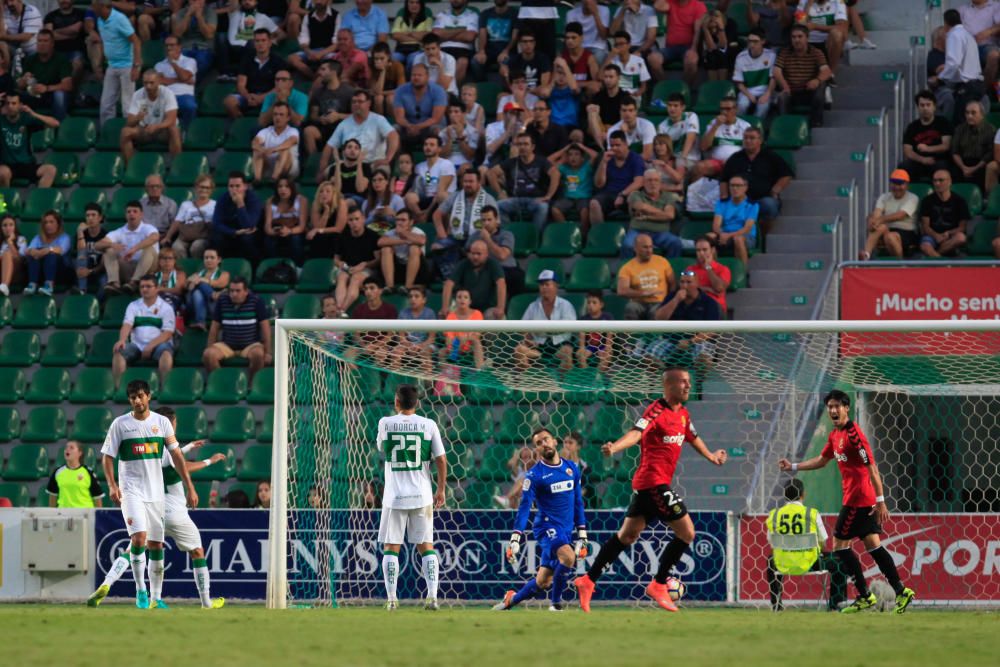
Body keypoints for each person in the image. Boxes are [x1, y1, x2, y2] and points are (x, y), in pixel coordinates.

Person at [575, 367, 727, 613]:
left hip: (650, 485)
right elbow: (636, 433)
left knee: (627, 536)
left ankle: (587, 580)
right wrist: (615, 448)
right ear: (669, 385)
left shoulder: (684, 415)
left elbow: (692, 436)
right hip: (653, 482)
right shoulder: (656, 410)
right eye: (683, 382)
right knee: (687, 533)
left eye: (690, 382)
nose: (688, 386)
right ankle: (658, 584)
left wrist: (711, 456)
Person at [778, 389, 916, 615]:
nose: (832, 410)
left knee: (839, 546)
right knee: (874, 547)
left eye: (836, 406)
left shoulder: (854, 435)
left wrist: (881, 501)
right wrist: (793, 466)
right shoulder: (835, 435)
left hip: (858, 500)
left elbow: (872, 468)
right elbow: (822, 460)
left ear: (846, 408)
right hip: (861, 499)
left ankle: (864, 595)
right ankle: (902, 591)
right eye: (830, 407)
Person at [88, 406, 225, 610]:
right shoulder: (166, 443)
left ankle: (108, 584)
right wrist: (208, 461)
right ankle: (204, 602)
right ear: (171, 424)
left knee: (135, 547)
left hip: (151, 504)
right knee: (197, 551)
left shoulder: (151, 444)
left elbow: (165, 455)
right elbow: (180, 463)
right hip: (173, 510)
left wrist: (187, 447)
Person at [98, 379, 197, 609]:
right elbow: (107, 457)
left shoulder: (162, 423)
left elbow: (177, 457)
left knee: (156, 545)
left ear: (149, 396)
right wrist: (113, 486)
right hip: (131, 491)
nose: (137, 400)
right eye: (133, 397)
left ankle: (156, 598)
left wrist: (190, 486)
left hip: (155, 494)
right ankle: (140, 592)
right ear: (129, 400)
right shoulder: (120, 424)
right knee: (139, 538)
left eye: (141, 396)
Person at [494, 427, 588, 612]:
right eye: (538, 443)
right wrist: (515, 537)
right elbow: (524, 507)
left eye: (546, 439)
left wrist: (582, 533)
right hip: (546, 527)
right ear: (536, 449)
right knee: (568, 557)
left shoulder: (571, 469)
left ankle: (511, 600)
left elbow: (578, 502)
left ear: (554, 442)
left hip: (566, 529)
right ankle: (556, 605)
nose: (543, 444)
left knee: (543, 581)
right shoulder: (534, 475)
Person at [378, 383, 447, 611]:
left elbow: (382, 448)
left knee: (391, 548)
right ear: (417, 403)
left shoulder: (385, 423)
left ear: (396, 402)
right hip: (422, 496)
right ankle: (432, 597)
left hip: (394, 497)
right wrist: (441, 489)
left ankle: (391, 599)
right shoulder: (428, 425)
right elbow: (441, 459)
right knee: (426, 547)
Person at [766, 479, 847, 612]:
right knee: (840, 562)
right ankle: (835, 605)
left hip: (783, 564)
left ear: (784, 495)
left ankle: (776, 606)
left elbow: (772, 541)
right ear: (803, 495)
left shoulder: (774, 515)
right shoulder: (811, 513)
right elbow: (823, 541)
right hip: (810, 562)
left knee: (770, 561)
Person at [720, 127, 793, 228]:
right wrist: (724, 197)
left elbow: (786, 175)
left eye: (752, 138)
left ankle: (763, 237)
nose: (748, 141)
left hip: (762, 199)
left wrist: (775, 190)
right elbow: (724, 179)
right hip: (739, 201)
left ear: (760, 140)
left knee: (769, 205)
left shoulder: (770, 156)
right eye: (745, 138)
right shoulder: (735, 158)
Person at [650, 269, 721, 370]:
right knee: (650, 357)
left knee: (703, 357)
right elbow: (659, 318)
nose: (684, 286)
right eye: (682, 282)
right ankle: (659, 382)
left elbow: (711, 330)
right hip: (671, 340)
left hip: (698, 340)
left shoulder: (709, 302)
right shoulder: (672, 297)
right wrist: (676, 300)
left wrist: (690, 341)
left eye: (688, 282)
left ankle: (699, 384)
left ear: (697, 283)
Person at [112, 274, 175, 388]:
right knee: (118, 353)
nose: (145, 289)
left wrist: (150, 346)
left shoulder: (166, 308)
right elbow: (127, 325)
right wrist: (122, 340)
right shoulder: (133, 306)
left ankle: (165, 387)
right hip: (137, 345)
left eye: (148, 286)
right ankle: (119, 388)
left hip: (158, 345)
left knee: (166, 354)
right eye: (142, 287)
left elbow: (168, 333)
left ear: (156, 288)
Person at [203, 276, 273, 377]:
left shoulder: (257, 301)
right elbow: (214, 328)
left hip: (250, 345)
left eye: (238, 291)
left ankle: (251, 385)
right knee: (208, 354)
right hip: (227, 345)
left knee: (258, 354)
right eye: (231, 291)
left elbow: (265, 328)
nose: (234, 294)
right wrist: (210, 346)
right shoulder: (222, 301)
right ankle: (221, 383)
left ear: (246, 291)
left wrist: (268, 352)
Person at [512, 269, 576, 371]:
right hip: (539, 347)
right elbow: (523, 328)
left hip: (560, 345)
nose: (544, 287)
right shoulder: (532, 307)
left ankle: (563, 384)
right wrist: (528, 339)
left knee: (567, 351)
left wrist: (543, 329)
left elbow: (569, 328)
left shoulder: (566, 305)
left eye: (547, 284)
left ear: (556, 286)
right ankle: (522, 383)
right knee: (519, 350)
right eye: (541, 285)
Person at [93, 0, 141, 128]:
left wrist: (136, 66)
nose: (92, 8)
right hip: (112, 66)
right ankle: (106, 135)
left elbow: (136, 41)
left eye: (94, 5)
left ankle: (131, 136)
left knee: (127, 106)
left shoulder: (120, 19)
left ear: (102, 6)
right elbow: (105, 41)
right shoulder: (99, 20)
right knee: (106, 105)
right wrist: (100, 62)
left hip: (127, 66)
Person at [774, 24, 832, 128]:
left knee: (821, 87)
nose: (796, 40)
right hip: (791, 91)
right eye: (794, 37)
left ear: (807, 38)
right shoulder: (784, 52)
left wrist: (817, 80)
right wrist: (784, 85)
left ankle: (816, 124)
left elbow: (826, 71)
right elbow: (777, 71)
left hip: (809, 91)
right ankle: (784, 126)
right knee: (782, 97)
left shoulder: (816, 52)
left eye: (800, 36)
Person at [934, 9, 986, 124]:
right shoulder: (968, 35)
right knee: (971, 123)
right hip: (977, 83)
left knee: (961, 122)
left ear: (945, 23)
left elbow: (953, 63)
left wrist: (940, 78)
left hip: (968, 86)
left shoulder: (954, 35)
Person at [96, 201, 159, 295]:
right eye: (128, 212)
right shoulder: (120, 231)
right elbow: (97, 245)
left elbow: (155, 237)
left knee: (149, 249)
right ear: (125, 215)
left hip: (148, 269)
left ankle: (135, 282)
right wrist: (111, 245)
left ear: (141, 214)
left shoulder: (148, 228)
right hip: (127, 267)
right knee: (108, 250)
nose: (131, 214)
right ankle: (114, 283)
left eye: (135, 211)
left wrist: (135, 249)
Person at [325, 89, 399, 169]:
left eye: (360, 102)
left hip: (374, 164)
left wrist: (387, 158)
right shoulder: (344, 124)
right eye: (354, 102)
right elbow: (329, 146)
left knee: (382, 171)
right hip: (349, 164)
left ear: (369, 103)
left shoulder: (378, 120)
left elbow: (393, 136)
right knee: (328, 172)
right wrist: (322, 168)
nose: (356, 104)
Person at [120, 69, 181, 164]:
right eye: (145, 83)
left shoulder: (168, 93)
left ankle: (178, 165)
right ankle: (131, 167)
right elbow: (129, 122)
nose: (148, 86)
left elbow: (171, 119)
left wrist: (157, 126)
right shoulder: (138, 94)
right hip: (145, 130)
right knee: (125, 132)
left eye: (151, 83)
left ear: (159, 81)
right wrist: (136, 119)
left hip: (162, 130)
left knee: (174, 129)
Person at [0, 92, 59, 189]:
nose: (10, 106)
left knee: (50, 170)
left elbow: (55, 123)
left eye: (14, 103)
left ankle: (38, 200)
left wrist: (33, 113)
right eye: (7, 103)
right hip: (7, 165)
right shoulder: (1, 120)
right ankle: (5, 201)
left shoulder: (26, 119)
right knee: (2, 172)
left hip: (27, 164)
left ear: (20, 105)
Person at [224, 28, 286, 119]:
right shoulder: (246, 59)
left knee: (279, 101)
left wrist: (261, 98)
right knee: (229, 102)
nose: (260, 43)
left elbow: (279, 87)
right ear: (254, 43)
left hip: (269, 97)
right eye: (257, 41)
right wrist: (247, 96)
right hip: (249, 96)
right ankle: (240, 124)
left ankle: (264, 127)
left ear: (269, 43)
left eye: (263, 40)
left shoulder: (278, 61)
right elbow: (241, 84)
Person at [860, 169, 921, 261]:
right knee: (880, 227)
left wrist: (879, 220)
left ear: (907, 185)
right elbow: (877, 213)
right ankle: (866, 255)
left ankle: (900, 264)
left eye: (900, 184)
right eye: (894, 183)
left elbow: (900, 215)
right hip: (888, 229)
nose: (896, 187)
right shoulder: (884, 197)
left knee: (890, 236)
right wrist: (872, 221)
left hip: (907, 232)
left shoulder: (913, 198)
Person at [589, 131, 645, 230]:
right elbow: (599, 184)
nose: (614, 148)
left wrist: (622, 194)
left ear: (626, 144)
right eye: (612, 145)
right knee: (594, 203)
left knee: (634, 200)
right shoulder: (606, 158)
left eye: (617, 145)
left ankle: (634, 234)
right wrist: (604, 163)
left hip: (628, 194)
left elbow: (639, 182)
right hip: (609, 194)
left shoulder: (636, 159)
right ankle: (600, 235)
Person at [439, 239, 506, 319]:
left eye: (478, 254)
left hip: (488, 307)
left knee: (493, 316)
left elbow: (501, 283)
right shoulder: (463, 264)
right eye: (472, 253)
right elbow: (449, 284)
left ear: (486, 254)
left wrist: (500, 308)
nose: (475, 257)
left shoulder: (493, 264)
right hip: (467, 307)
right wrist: (445, 307)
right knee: (445, 315)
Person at [648, 0, 707, 87]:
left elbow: (697, 31)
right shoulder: (671, 2)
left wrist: (693, 49)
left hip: (688, 47)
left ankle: (683, 88)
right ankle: (666, 86)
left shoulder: (698, 5)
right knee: (652, 58)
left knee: (692, 60)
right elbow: (657, 6)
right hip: (670, 48)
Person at [466, 204, 522, 295]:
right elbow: (468, 253)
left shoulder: (507, 235)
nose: (486, 223)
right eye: (483, 220)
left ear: (497, 220)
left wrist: (488, 239)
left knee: (516, 276)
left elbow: (502, 255)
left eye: (489, 219)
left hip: (505, 268)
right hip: (483, 268)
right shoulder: (475, 236)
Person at [624, 169, 682, 258]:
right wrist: (662, 213)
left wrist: (647, 217)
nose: (653, 183)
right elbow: (641, 206)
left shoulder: (669, 196)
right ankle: (628, 271)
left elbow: (670, 215)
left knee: (675, 243)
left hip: (660, 233)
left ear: (661, 183)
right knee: (628, 245)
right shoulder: (635, 195)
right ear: (643, 183)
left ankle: (670, 269)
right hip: (638, 231)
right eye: (649, 180)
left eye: (656, 180)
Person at [333, 206, 381, 312]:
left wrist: (365, 265)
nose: (354, 223)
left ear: (363, 218)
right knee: (342, 276)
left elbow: (378, 260)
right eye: (351, 220)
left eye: (357, 219)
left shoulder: (372, 236)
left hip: (366, 270)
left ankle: (341, 311)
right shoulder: (342, 236)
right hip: (348, 268)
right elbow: (336, 259)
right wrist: (340, 263)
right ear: (347, 222)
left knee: (355, 278)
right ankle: (339, 306)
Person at [617, 233, 675, 320]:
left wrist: (667, 300)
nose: (649, 250)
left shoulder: (662, 261)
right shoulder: (627, 267)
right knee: (631, 308)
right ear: (635, 248)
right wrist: (643, 293)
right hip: (639, 303)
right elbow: (622, 291)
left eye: (651, 247)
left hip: (659, 302)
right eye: (645, 247)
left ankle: (657, 334)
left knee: (656, 311)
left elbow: (673, 284)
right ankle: (629, 334)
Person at [16, 29, 72, 120]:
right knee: (14, 95)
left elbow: (68, 85)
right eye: (39, 41)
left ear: (52, 44)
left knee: (59, 95)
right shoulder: (30, 59)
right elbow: (20, 86)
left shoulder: (61, 59)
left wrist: (46, 88)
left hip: (51, 95)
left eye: (45, 41)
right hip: (35, 94)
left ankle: (59, 127)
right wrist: (24, 80)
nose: (41, 44)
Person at [302, 61, 355, 156]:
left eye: (323, 69)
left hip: (343, 129)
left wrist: (338, 116)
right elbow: (313, 116)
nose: (319, 72)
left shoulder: (349, 92)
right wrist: (320, 119)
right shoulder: (317, 92)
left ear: (333, 72)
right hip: (323, 129)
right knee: (308, 131)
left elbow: (357, 115)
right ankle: (314, 161)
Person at [693, 97, 752, 181]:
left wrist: (732, 160)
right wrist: (716, 126)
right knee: (699, 167)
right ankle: (695, 193)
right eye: (722, 109)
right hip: (716, 162)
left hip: (736, 163)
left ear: (736, 109)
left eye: (728, 109)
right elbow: (703, 147)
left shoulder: (745, 126)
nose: (724, 112)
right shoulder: (713, 123)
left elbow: (749, 151)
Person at [901, 90, 953, 184]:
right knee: (904, 167)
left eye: (928, 105)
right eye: (922, 105)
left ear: (934, 107)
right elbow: (907, 151)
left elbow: (946, 145)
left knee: (942, 166)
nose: (925, 108)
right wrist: (922, 159)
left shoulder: (943, 123)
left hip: (938, 160)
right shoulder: (912, 127)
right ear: (918, 107)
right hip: (919, 161)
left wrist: (928, 149)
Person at [393, 63, 448, 151]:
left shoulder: (438, 91)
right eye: (413, 75)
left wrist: (418, 127)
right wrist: (409, 126)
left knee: (437, 130)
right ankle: (396, 161)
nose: (416, 78)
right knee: (393, 130)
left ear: (427, 76)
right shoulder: (401, 90)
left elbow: (436, 119)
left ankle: (437, 161)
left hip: (429, 126)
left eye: (420, 75)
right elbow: (399, 118)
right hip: (408, 126)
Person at [212, 172, 264, 263]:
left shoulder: (253, 199)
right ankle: (221, 267)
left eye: (237, 186)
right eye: (231, 186)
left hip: (249, 232)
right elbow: (216, 223)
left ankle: (250, 268)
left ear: (245, 186)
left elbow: (249, 225)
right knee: (217, 238)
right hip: (231, 230)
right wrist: (234, 232)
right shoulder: (223, 198)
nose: (234, 190)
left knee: (247, 239)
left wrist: (240, 204)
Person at [919, 169, 970, 257]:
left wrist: (948, 233)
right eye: (935, 180)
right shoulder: (927, 201)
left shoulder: (960, 201)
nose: (937, 183)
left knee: (961, 238)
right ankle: (942, 263)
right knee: (925, 246)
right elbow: (925, 226)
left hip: (951, 236)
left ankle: (935, 257)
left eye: (941, 180)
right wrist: (936, 236)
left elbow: (962, 227)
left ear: (950, 181)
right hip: (932, 235)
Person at [163, 175, 215, 259]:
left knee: (197, 246)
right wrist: (168, 237)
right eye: (201, 187)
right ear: (196, 188)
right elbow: (177, 222)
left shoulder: (214, 205)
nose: (204, 190)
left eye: (207, 188)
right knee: (176, 247)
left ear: (211, 190)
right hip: (185, 235)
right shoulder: (186, 204)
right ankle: (183, 270)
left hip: (202, 236)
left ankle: (196, 269)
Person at [378, 208, 429, 293]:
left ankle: (408, 287)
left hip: (418, 271)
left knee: (414, 248)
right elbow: (380, 242)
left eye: (403, 220)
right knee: (385, 249)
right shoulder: (391, 232)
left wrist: (403, 233)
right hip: (398, 269)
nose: (399, 223)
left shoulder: (417, 231)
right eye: (397, 220)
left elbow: (421, 241)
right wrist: (404, 241)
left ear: (411, 222)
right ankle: (389, 286)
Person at [285, 0, 339, 80]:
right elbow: (304, 40)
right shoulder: (308, 17)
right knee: (292, 58)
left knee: (337, 60)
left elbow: (336, 43)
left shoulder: (336, 16)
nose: (318, 2)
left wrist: (320, 54)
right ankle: (314, 77)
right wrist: (309, 52)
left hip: (328, 51)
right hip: (311, 51)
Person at [549, 142, 598, 230]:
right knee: (555, 209)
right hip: (568, 198)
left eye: (576, 154)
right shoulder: (564, 168)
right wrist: (564, 150)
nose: (573, 157)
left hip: (584, 198)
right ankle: (567, 230)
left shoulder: (586, 167)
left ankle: (583, 234)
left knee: (584, 211)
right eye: (570, 155)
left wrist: (582, 146)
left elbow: (596, 156)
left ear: (582, 158)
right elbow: (548, 161)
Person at [712, 175, 758, 267]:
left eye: (738, 185)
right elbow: (716, 225)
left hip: (745, 236)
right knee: (709, 237)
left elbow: (747, 228)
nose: (735, 188)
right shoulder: (721, 203)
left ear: (745, 187)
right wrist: (721, 234)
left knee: (738, 239)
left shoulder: (753, 205)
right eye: (732, 185)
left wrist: (728, 235)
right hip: (725, 234)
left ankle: (743, 272)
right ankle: (714, 269)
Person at [22, 210, 71, 296]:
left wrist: (48, 250)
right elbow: (27, 250)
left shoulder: (64, 237)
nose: (48, 225)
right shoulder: (38, 238)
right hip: (41, 272)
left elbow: (62, 250)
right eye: (46, 222)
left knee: (51, 255)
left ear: (58, 224)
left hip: (59, 273)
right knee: (33, 256)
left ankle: (49, 285)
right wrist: (33, 251)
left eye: (51, 222)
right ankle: (32, 285)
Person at [155, 35, 197, 128]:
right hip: (166, 95)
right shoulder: (159, 64)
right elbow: (160, 81)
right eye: (166, 45)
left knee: (190, 106)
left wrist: (173, 62)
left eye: (172, 45)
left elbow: (184, 76)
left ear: (179, 46)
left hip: (185, 95)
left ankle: (187, 131)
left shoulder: (190, 61)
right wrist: (183, 80)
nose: (169, 48)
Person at [733, 27, 776, 120]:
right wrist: (749, 95)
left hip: (765, 90)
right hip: (747, 90)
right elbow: (739, 83)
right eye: (749, 41)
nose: (752, 45)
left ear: (763, 41)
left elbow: (773, 78)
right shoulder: (741, 57)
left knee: (763, 107)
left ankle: (756, 128)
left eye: (755, 41)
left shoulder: (771, 55)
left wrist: (767, 94)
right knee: (742, 105)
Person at [252, 101, 300, 182]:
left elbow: (291, 141)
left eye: (281, 115)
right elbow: (254, 143)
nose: (278, 117)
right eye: (275, 114)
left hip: (288, 168)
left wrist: (274, 149)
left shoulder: (293, 131)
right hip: (269, 167)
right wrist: (262, 150)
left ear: (288, 118)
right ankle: (257, 180)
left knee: (284, 150)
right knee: (257, 151)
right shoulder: (265, 131)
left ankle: (275, 178)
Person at [797, 0, 847, 78]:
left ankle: (830, 73)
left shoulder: (838, 1)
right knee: (797, 33)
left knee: (837, 34)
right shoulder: (804, 1)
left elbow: (841, 27)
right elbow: (799, 24)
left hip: (827, 43)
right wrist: (808, 6)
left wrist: (816, 27)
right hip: (809, 42)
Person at [951, 99, 994, 189]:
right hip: (962, 163)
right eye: (967, 113)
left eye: (973, 113)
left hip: (980, 163)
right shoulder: (959, 129)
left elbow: (989, 154)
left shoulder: (990, 129)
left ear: (982, 115)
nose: (969, 116)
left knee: (986, 170)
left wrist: (974, 168)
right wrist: (963, 167)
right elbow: (955, 151)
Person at [393, 285, 436, 375]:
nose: (413, 299)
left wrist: (420, 346)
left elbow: (431, 338)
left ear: (424, 300)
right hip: (407, 344)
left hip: (425, 344)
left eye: (416, 296)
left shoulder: (430, 313)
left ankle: (428, 386)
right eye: (410, 296)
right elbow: (401, 337)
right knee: (396, 352)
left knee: (425, 353)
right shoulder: (403, 313)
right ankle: (397, 382)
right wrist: (409, 346)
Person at [46, 441, 103, 508]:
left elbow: (97, 498)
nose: (67, 449)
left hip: (85, 514)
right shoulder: (58, 472)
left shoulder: (88, 472)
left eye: (71, 448)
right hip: (63, 514)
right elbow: (53, 497)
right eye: (66, 447)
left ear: (79, 453)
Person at [263, 177, 307, 263]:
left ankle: (298, 266)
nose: (283, 189)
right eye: (280, 186)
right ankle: (272, 265)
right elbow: (267, 226)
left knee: (296, 239)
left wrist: (289, 231)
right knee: (269, 241)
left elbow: (302, 226)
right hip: (277, 229)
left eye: (287, 186)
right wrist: (274, 232)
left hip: (295, 230)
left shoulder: (301, 200)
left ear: (292, 188)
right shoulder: (270, 201)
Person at [184, 247, 230, 330]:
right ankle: (212, 294)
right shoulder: (197, 274)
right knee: (196, 291)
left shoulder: (224, 274)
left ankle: (200, 322)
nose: (208, 260)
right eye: (206, 258)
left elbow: (218, 283)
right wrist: (191, 283)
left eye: (212, 257)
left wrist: (201, 280)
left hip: (214, 306)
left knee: (198, 290)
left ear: (219, 259)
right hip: (194, 306)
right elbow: (189, 289)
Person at [960, 0, 1000, 94]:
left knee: (994, 56)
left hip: (987, 46)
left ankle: (982, 91)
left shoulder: (996, 6)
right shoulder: (962, 10)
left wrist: (989, 31)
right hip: (967, 48)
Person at [585, 64, 630, 146]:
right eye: (606, 77)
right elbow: (591, 123)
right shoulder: (598, 96)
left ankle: (603, 149)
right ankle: (602, 148)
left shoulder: (625, 97)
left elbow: (626, 121)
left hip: (617, 129)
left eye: (611, 77)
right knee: (592, 111)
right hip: (599, 129)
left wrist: (610, 130)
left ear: (618, 78)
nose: (608, 80)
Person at [686, 236, 731, 315]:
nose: (701, 253)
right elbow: (685, 289)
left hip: (715, 306)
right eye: (698, 250)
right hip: (694, 304)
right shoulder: (690, 269)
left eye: (705, 250)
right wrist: (707, 289)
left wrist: (708, 267)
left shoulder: (723, 269)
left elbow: (719, 288)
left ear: (712, 250)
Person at [44, 0, 88, 82]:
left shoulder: (81, 14)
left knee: (77, 65)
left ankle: (71, 88)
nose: (63, 1)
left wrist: (56, 32)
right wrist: (70, 33)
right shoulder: (50, 16)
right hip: (55, 51)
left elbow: (76, 30)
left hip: (75, 50)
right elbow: (49, 35)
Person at [440, 287, 485, 369]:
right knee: (442, 352)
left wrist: (464, 339)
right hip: (455, 347)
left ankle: (480, 371)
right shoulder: (451, 316)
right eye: (459, 297)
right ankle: (445, 378)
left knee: (477, 342)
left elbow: (476, 335)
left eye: (465, 297)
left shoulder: (477, 314)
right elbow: (449, 339)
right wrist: (458, 342)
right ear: (455, 300)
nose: (462, 300)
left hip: (470, 347)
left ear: (470, 301)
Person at [171, 0, 217, 76]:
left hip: (204, 47)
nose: (196, 2)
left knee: (201, 61)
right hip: (185, 47)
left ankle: (188, 82)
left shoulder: (210, 12)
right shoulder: (181, 13)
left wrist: (199, 17)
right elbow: (177, 34)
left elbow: (209, 35)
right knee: (178, 63)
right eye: (193, 0)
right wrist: (188, 15)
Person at [657, 92, 701, 169]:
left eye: (675, 106)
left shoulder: (691, 116)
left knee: (679, 163)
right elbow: (662, 150)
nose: (672, 108)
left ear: (683, 107)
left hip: (691, 159)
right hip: (672, 161)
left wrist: (682, 158)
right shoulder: (662, 126)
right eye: (669, 105)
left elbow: (691, 137)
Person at [605, 30, 649, 102]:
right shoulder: (612, 61)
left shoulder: (639, 61)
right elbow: (600, 77)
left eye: (621, 44)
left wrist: (637, 93)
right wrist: (610, 56)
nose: (619, 47)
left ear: (629, 45)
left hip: (634, 96)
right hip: (616, 96)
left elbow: (643, 87)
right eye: (616, 44)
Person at [577, 289, 613, 373]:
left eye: (594, 302)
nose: (590, 305)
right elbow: (581, 335)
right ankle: (586, 375)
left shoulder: (607, 317)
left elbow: (609, 334)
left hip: (603, 345)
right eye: (588, 303)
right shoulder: (584, 318)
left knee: (607, 355)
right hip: (589, 346)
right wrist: (581, 347)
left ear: (601, 305)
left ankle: (598, 377)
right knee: (579, 355)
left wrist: (608, 347)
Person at [392, 0, 434, 68]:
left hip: (418, 49)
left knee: (412, 59)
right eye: (411, 2)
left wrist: (408, 33)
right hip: (401, 49)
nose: (414, 5)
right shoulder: (401, 16)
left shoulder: (427, 16)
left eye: (417, 2)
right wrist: (417, 36)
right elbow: (395, 35)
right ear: (407, 4)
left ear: (421, 5)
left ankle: (409, 78)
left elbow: (427, 35)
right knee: (393, 58)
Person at [153, 247, 187, 315]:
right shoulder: (154, 275)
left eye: (170, 258)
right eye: (164, 258)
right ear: (159, 261)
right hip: (156, 300)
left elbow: (178, 290)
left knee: (167, 305)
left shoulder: (179, 274)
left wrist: (160, 289)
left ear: (174, 261)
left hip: (173, 299)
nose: (167, 261)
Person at [0, 214, 26, 296]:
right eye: (5, 225)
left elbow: (19, 258)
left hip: (16, 272)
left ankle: (5, 286)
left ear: (15, 227)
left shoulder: (21, 239)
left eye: (11, 225)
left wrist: (10, 242)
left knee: (7, 254)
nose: (8, 228)